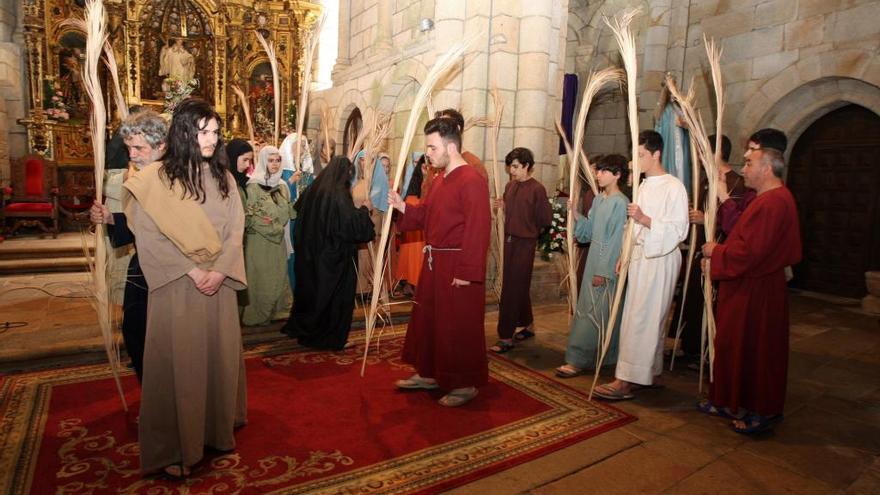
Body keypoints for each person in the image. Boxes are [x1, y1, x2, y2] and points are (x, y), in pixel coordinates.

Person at [122, 98, 247, 478]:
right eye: (203, 131)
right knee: (181, 365)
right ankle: (177, 445)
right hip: (178, 286)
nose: (211, 139)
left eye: (215, 132)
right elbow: (149, 237)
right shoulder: (155, 180)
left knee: (216, 357)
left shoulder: (225, 178)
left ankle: (214, 430)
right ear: (183, 133)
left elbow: (236, 229)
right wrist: (193, 272)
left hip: (218, 286)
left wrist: (221, 271)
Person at [389, 117, 491, 407]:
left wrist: (468, 272)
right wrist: (401, 206)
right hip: (435, 263)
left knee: (458, 326)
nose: (429, 154)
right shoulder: (439, 179)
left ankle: (464, 383)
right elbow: (425, 216)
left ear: (451, 146)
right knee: (431, 321)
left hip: (457, 265)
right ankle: (431, 373)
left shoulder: (471, 180)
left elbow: (479, 227)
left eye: (432, 148)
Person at [700, 147, 801, 434]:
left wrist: (716, 252)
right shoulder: (763, 199)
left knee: (759, 350)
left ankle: (763, 411)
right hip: (746, 286)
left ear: (767, 168)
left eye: (748, 163)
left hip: (757, 290)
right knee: (734, 345)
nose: (743, 169)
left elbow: (751, 252)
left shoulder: (775, 202)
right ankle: (728, 400)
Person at [594, 130, 688, 401]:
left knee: (643, 318)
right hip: (640, 257)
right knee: (642, 316)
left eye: (641, 155)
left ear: (656, 154)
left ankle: (625, 380)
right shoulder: (643, 186)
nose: (635, 162)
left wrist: (646, 219)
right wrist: (626, 251)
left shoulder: (674, 187)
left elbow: (678, 230)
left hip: (659, 258)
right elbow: (631, 225)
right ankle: (650, 372)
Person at [89, 110, 167, 383]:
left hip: (167, 269)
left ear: (161, 146)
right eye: (128, 148)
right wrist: (111, 218)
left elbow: (167, 224)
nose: (131, 155)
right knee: (135, 329)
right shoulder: (142, 178)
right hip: (142, 265)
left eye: (138, 148)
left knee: (158, 337)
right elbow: (141, 222)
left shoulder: (173, 179)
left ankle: (165, 397)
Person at [280, 156, 375, 350]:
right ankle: (328, 337)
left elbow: (300, 211)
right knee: (332, 297)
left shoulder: (315, 188)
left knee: (311, 293)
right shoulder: (339, 194)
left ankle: (305, 328)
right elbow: (349, 226)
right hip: (333, 259)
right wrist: (365, 210)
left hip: (310, 255)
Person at [676, 134, 750, 361]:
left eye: (701, 150)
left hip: (717, 247)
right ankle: (689, 347)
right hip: (698, 245)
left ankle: (706, 350)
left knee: (709, 299)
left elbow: (738, 221)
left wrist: (707, 219)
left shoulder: (736, 182)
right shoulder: (705, 179)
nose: (698, 155)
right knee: (692, 298)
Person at [556, 154, 628, 377]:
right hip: (593, 261)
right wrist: (575, 213)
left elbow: (616, 240)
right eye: (598, 171)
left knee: (597, 312)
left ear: (617, 175)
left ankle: (580, 359)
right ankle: (595, 357)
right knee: (587, 310)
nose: (598, 175)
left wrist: (603, 271)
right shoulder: (599, 200)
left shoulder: (620, 203)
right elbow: (588, 232)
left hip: (605, 265)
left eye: (603, 171)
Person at [489, 147, 552, 353]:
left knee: (511, 289)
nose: (512, 171)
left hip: (525, 243)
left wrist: (529, 230)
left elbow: (545, 219)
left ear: (526, 166)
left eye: (515, 167)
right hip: (509, 242)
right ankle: (528, 325)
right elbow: (515, 210)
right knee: (517, 285)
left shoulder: (537, 189)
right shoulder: (510, 186)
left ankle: (505, 336)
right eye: (510, 167)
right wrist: (504, 206)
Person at [240, 146, 294, 326]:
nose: (275, 164)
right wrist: (273, 229)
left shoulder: (282, 186)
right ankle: (257, 313)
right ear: (263, 161)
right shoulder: (253, 186)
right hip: (260, 242)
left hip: (278, 241)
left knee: (278, 274)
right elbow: (251, 217)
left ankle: (277, 311)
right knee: (260, 276)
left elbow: (287, 212)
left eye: (278, 160)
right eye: (271, 160)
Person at [393, 153, 427, 298]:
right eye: (424, 167)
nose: (427, 170)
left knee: (417, 252)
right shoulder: (415, 184)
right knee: (413, 252)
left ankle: (413, 284)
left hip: (419, 213)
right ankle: (412, 283)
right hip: (415, 209)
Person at [435, 108, 489, 180]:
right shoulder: (436, 161)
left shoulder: (474, 164)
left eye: (444, 126)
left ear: (457, 128)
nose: (439, 131)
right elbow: (425, 190)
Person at [226, 138, 254, 204]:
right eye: (245, 160)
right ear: (233, 158)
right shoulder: (222, 183)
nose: (248, 165)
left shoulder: (245, 182)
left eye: (250, 160)